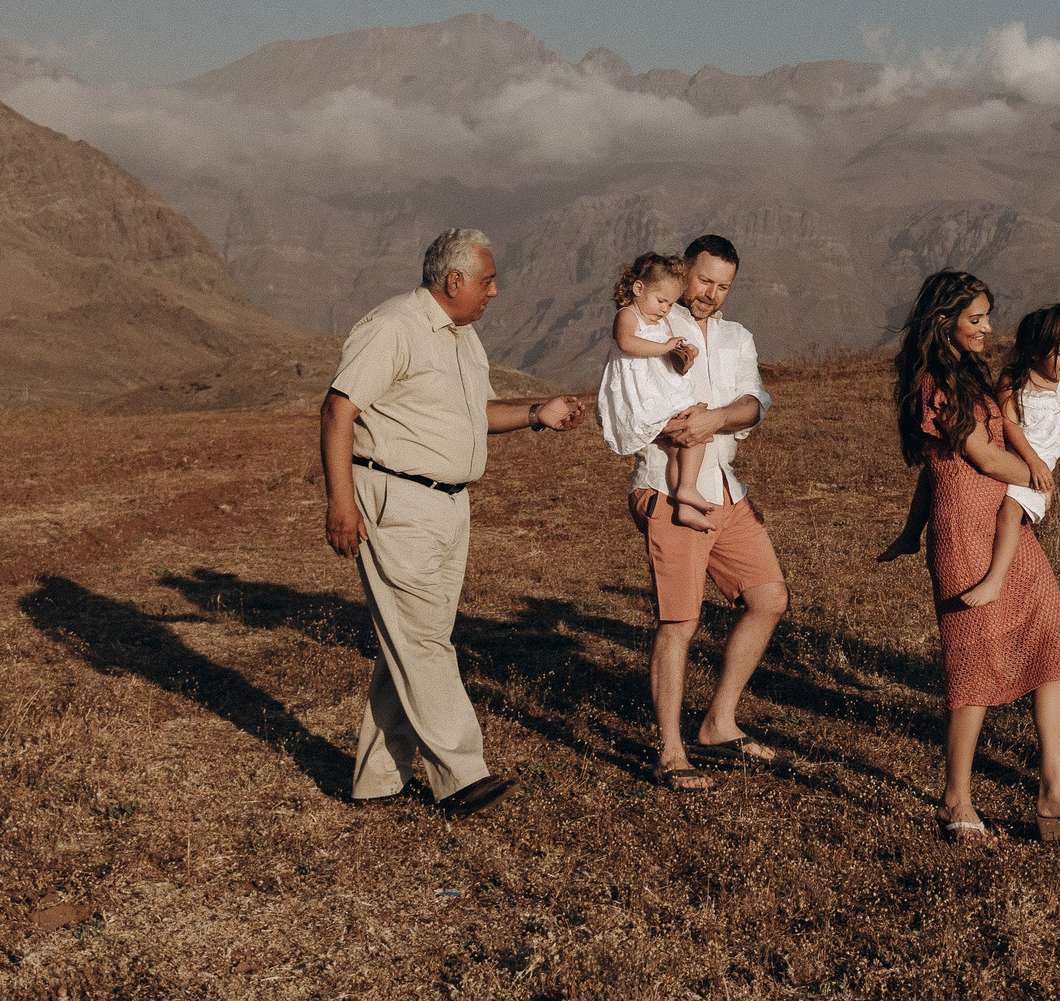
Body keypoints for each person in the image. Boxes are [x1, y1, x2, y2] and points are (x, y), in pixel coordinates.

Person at [319, 228, 583, 815]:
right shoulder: (393, 327)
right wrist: (341, 502)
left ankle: (376, 780)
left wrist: (538, 414)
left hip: (449, 505)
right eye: (487, 280)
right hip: (397, 500)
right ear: (455, 280)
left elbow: (476, 414)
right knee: (422, 641)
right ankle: (461, 776)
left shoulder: (464, 338)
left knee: (413, 643)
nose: (496, 290)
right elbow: (339, 408)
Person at [890, 270, 1060, 844]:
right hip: (966, 527)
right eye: (975, 319)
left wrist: (910, 530)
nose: (989, 328)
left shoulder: (973, 374)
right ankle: (956, 798)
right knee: (972, 659)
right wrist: (1041, 477)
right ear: (944, 324)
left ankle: (1054, 793)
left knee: (1052, 640)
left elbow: (946, 469)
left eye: (987, 316)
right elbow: (977, 459)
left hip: (1005, 522)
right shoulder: (934, 383)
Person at [612, 235, 790, 786]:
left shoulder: (738, 336)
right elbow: (630, 398)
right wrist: (686, 424)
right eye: (704, 280)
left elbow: (754, 402)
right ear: (683, 272)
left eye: (723, 285)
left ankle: (719, 723)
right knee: (680, 620)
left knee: (768, 598)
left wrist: (716, 419)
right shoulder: (655, 325)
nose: (712, 293)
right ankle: (670, 751)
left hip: (726, 490)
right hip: (666, 488)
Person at [879, 303, 1060, 608]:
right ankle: (910, 533)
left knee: (1009, 512)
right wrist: (1031, 461)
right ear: (1035, 352)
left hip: (1032, 475)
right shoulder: (1014, 379)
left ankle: (994, 580)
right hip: (1015, 458)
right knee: (935, 469)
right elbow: (1010, 425)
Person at [596, 252, 713, 528]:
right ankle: (685, 491)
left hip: (665, 389)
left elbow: (671, 364)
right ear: (638, 288)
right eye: (661, 301)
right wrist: (665, 347)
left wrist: (684, 357)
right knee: (686, 432)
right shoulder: (628, 315)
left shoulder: (662, 322)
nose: (664, 310)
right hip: (644, 396)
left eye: (670, 304)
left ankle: (685, 493)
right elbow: (626, 343)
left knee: (690, 432)